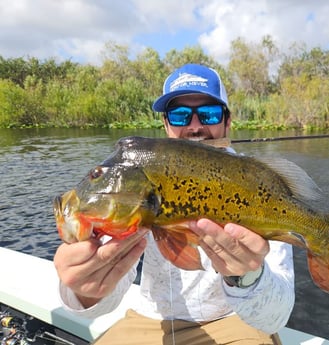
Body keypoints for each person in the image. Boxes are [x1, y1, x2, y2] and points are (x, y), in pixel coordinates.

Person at [54, 63, 295, 345]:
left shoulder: (256, 184)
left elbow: (275, 316)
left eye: (209, 113)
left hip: (232, 322)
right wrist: (86, 290)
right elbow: (106, 299)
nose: (194, 126)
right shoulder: (136, 181)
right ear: (166, 124)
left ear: (228, 121)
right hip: (148, 321)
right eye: (180, 115)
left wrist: (248, 276)